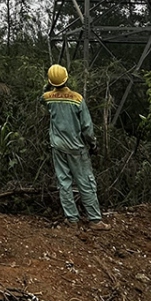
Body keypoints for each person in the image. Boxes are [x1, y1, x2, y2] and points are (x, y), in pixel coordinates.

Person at [40, 64, 104, 228]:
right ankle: (95, 219)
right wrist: (93, 145)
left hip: (58, 146)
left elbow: (43, 95)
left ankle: (72, 219)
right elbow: (87, 128)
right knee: (85, 182)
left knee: (64, 182)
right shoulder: (77, 99)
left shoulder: (47, 98)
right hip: (77, 148)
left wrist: (49, 85)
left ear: (51, 81)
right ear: (66, 78)